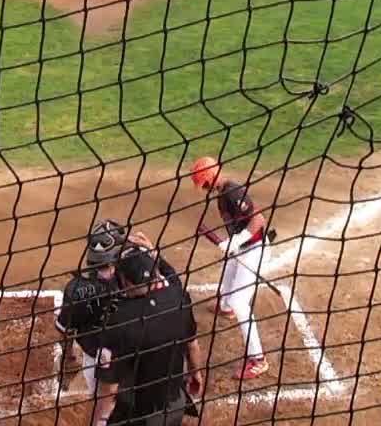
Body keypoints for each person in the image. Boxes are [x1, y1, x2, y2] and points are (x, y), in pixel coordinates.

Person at [92, 246, 207, 426]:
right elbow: (192, 346)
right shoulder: (179, 298)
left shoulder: (120, 321)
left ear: (126, 281)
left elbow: (109, 390)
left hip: (137, 415)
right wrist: (195, 373)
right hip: (175, 406)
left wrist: (99, 420)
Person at [56, 221, 173, 396]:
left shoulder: (76, 289)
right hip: (139, 356)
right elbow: (170, 288)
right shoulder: (135, 277)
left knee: (105, 406)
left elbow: (64, 329)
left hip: (99, 363)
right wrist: (153, 254)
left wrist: (69, 357)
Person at [189, 155, 271, 380]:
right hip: (243, 247)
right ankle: (225, 308)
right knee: (227, 277)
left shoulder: (232, 191)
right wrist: (235, 243)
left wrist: (236, 241)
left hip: (255, 250)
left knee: (240, 301)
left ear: (209, 177)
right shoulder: (222, 194)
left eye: (203, 182)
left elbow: (259, 220)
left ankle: (258, 359)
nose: (203, 187)